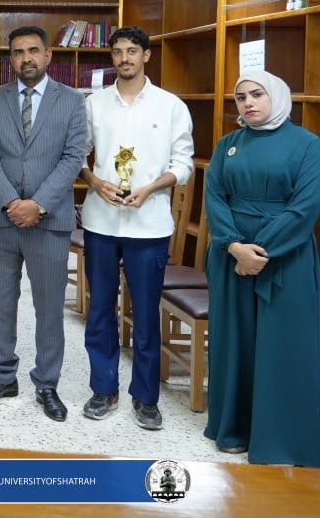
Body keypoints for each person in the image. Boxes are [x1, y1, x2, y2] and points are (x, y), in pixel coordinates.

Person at [203, 71, 320, 467]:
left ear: (276, 95)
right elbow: (215, 197)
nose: (248, 103)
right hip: (231, 254)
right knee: (234, 342)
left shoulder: (307, 144)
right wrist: (235, 247)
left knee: (284, 344)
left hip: (286, 257)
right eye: (241, 97)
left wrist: (259, 253)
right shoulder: (228, 144)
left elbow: (305, 207)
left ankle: (282, 439)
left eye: (257, 94)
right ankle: (234, 428)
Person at [78, 26, 193, 430]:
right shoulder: (93, 104)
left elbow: (184, 164)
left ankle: (145, 398)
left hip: (150, 224)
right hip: (101, 221)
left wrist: (152, 188)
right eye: (117, 52)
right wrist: (95, 181)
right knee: (100, 311)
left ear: (146, 55)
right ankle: (103, 388)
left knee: (145, 314)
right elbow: (77, 155)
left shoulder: (170, 106)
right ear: (111, 57)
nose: (124, 58)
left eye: (131, 51)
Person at [0, 25, 86, 421]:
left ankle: (47, 383)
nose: (26, 59)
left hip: (48, 222)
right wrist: (11, 203)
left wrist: (37, 204)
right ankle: (4, 376)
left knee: (49, 308)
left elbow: (73, 157)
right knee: (0, 303)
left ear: (48, 55)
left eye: (33, 50)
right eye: (18, 53)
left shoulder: (72, 101)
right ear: (11, 59)